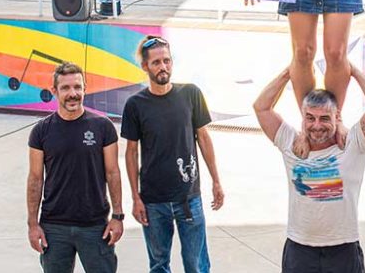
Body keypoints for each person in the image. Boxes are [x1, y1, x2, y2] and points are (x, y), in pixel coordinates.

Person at [253, 63, 365, 273]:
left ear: (337, 117)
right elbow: (261, 107)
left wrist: (352, 70)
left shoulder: (353, 144)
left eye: (324, 118)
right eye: (310, 118)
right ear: (303, 118)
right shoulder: (290, 142)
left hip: (343, 248)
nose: (316, 125)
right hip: (300, 249)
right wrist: (289, 72)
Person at [122, 36, 225, 273]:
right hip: (153, 201)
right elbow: (131, 153)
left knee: (196, 265)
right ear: (145, 66)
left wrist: (216, 181)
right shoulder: (135, 105)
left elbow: (204, 138)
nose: (163, 67)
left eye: (167, 61)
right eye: (156, 62)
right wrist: (136, 197)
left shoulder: (190, 94)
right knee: (159, 265)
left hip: (189, 197)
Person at [26, 62, 124, 272]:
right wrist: (33, 224)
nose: (73, 94)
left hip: (95, 225)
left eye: (77, 87)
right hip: (54, 226)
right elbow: (35, 179)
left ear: (85, 89)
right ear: (54, 91)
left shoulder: (103, 127)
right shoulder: (41, 131)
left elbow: (113, 172)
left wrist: (117, 216)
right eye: (65, 88)